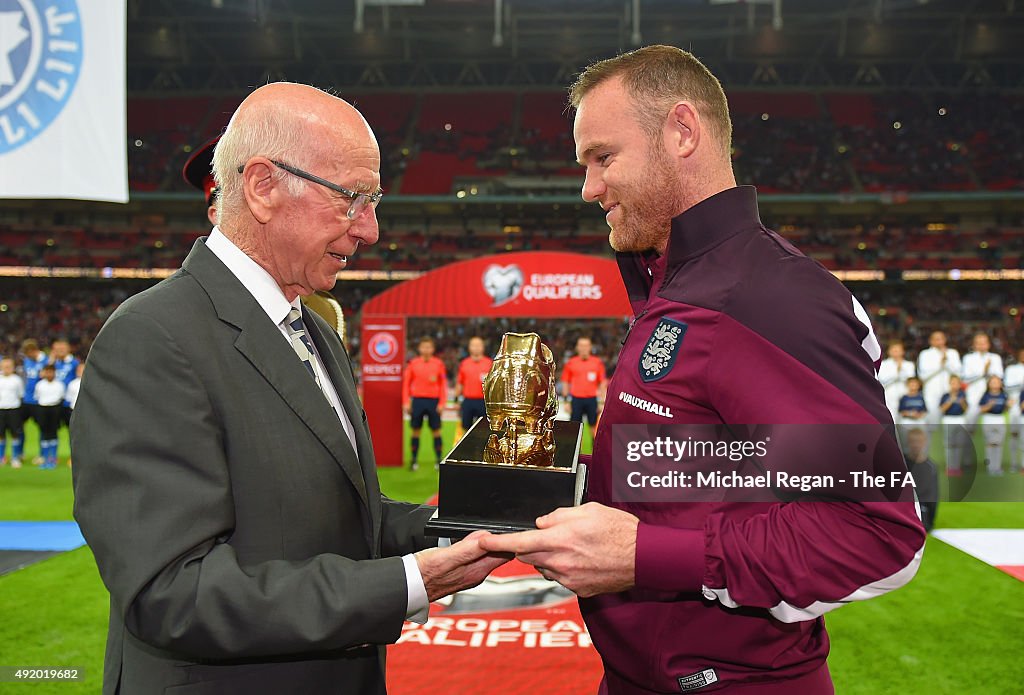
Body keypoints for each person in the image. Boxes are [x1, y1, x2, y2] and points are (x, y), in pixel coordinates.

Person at [481, 45, 925, 693]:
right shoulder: (677, 282)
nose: (589, 187)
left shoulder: (764, 296)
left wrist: (645, 554)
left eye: (603, 158)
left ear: (682, 131)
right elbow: (709, 468)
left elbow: (878, 533)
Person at [71, 82, 505, 695]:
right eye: (353, 199)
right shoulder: (152, 336)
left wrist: (471, 521)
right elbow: (173, 592)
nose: (371, 230)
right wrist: (411, 581)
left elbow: (342, 519)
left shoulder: (314, 331)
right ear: (263, 186)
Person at [402, 336, 448, 471]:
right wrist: (406, 402)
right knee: (416, 431)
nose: (426, 349)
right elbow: (406, 384)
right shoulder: (413, 364)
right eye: (424, 347)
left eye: (429, 347)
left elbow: (443, 385)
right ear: (419, 349)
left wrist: (442, 403)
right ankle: (414, 460)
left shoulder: (438, 364)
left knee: (436, 431)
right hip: (418, 401)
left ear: (432, 349)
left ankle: (438, 460)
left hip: (433, 402)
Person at [560, 336, 607, 439]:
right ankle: (574, 453)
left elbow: (603, 383)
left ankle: (595, 453)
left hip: (592, 400)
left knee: (594, 427)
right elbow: (565, 382)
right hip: (576, 399)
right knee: (574, 428)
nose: (584, 348)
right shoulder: (571, 363)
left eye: (586, 345)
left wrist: (602, 402)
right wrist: (566, 401)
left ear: (590, 347)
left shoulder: (597, 363)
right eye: (581, 345)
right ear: (577, 347)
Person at [917, 330, 961, 428]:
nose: (939, 341)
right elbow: (923, 376)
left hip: (949, 389)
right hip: (931, 390)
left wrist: (947, 363)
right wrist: (940, 365)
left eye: (941, 339)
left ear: (945, 340)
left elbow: (958, 373)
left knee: (949, 417)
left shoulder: (952, 353)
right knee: (932, 415)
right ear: (931, 341)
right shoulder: (925, 354)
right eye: (936, 339)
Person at [962, 332, 1003, 427]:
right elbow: (965, 378)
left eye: (983, 343)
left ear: (988, 344)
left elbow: (999, 376)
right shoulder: (968, 358)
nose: (981, 345)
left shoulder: (995, 357)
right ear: (974, 345)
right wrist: (983, 371)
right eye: (978, 343)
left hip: (991, 394)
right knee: (971, 419)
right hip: (974, 392)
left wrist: (988, 372)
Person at [903, 427, 939, 532]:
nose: (916, 445)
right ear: (908, 442)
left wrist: (931, 521)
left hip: (921, 510)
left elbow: (933, 497)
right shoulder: (900, 463)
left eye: (918, 442)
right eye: (913, 442)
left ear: (925, 442)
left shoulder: (931, 467)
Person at [455, 336, 492, 435]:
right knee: (465, 429)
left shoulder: (489, 364)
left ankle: (482, 450)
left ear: (483, 347)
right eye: (473, 345)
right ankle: (467, 450)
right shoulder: (464, 363)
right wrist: (457, 400)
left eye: (478, 345)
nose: (476, 348)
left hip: (483, 402)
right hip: (468, 401)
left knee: (484, 430)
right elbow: (460, 383)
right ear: (469, 347)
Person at [17, 339, 47, 464]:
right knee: (19, 427)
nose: (27, 356)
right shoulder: (26, 361)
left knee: (42, 428)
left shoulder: (46, 361)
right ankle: (20, 453)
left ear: (33, 350)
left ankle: (42, 454)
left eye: (28, 353)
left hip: (39, 400)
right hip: (25, 399)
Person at [34, 364, 64, 470]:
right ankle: (45, 458)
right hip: (43, 408)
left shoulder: (59, 385)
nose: (49, 374)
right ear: (44, 373)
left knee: (53, 432)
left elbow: (61, 397)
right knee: (44, 432)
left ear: (54, 373)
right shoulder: (40, 385)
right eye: (47, 372)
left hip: (55, 408)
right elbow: (37, 397)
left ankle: (53, 458)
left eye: (51, 372)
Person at [977, 375, 1008, 475]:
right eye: (993, 382)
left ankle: (997, 467)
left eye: (997, 382)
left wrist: (1008, 405)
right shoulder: (985, 395)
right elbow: (981, 409)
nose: (995, 384)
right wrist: (989, 406)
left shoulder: (1004, 395)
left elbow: (1005, 408)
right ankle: (990, 467)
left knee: (998, 443)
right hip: (988, 419)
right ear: (989, 384)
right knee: (990, 443)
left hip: (1000, 420)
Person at [878, 340, 915, 422]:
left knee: (905, 417)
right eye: (894, 350)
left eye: (898, 350)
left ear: (903, 352)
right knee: (891, 415)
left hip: (904, 391)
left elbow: (911, 379)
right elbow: (882, 379)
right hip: (889, 392)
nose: (896, 353)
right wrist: (896, 372)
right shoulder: (884, 364)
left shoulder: (909, 365)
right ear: (889, 352)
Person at [940, 375, 970, 476]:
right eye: (952, 383)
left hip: (960, 418)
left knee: (959, 444)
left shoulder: (963, 395)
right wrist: (950, 401)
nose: (955, 385)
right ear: (949, 384)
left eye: (957, 383)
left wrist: (962, 403)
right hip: (948, 419)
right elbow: (942, 409)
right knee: (949, 444)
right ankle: (949, 467)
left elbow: (966, 409)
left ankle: (957, 466)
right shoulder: (945, 395)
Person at [0, 357, 24, 468]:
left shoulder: (17, 380)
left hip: (14, 409)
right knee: (1, 435)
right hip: (1, 409)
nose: (6, 368)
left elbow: (20, 394)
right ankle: (2, 457)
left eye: (9, 366)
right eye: (4, 366)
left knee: (15, 434)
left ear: (13, 368)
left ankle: (15, 458)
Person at [1003, 347, 1024, 473]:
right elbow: (1007, 387)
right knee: (1014, 434)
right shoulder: (1012, 369)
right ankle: (1013, 462)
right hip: (1015, 404)